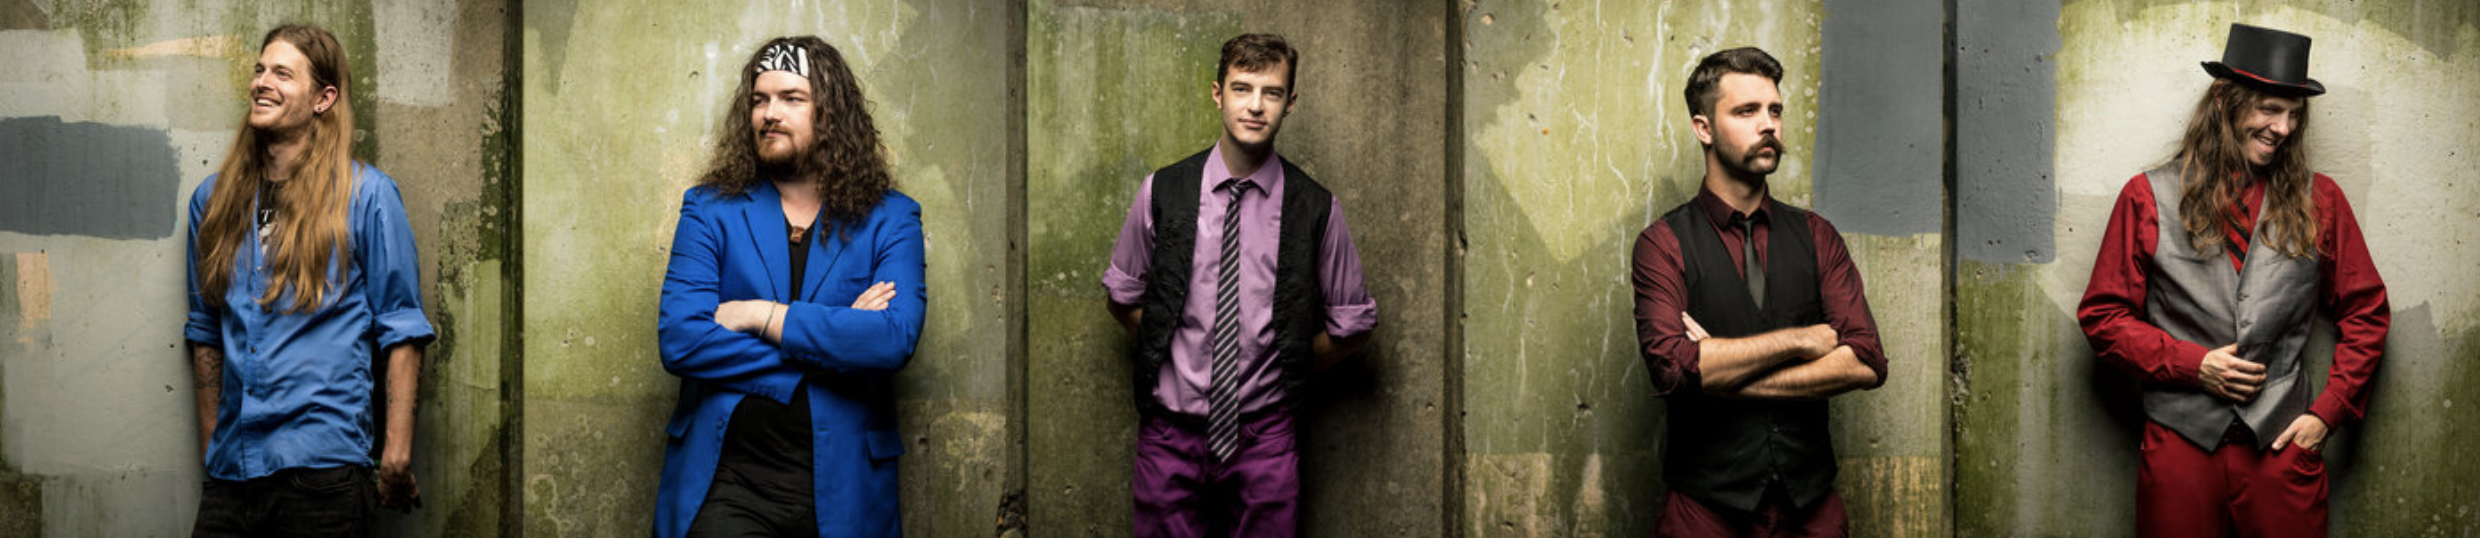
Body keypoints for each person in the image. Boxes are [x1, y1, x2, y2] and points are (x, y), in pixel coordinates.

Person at [2076, 23, 2389, 538]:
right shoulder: (2146, 196)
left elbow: (2367, 312)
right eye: (2270, 108)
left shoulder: (2322, 200)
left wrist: (2325, 415)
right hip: (2180, 445)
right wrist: (2192, 365)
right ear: (2224, 100)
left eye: (2294, 114)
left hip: (2283, 447)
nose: (2283, 128)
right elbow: (2103, 318)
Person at [1099, 32, 1379, 538]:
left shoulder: (1315, 207)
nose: (1255, 106)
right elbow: (1122, 295)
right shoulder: (1163, 191)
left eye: (1271, 92)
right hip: (1171, 432)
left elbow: (1353, 325)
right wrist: (1171, 347)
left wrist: (1285, 361)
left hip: (1265, 435)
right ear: (1217, 93)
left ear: (1290, 103)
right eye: (1241, 88)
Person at [653, 36, 926, 538]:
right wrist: (839, 344)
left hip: (846, 489)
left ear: (830, 113)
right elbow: (681, 340)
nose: (769, 113)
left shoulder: (893, 218)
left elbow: (893, 340)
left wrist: (760, 317)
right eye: (760, 99)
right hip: (728, 483)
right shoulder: (709, 209)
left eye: (791, 98)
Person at [1629, 46, 1888, 537]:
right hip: (1704, 513)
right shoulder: (1662, 245)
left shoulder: (1817, 235)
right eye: (1746, 111)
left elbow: (1867, 359)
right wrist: (1801, 341)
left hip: (1811, 510)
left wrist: (1721, 371)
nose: (1768, 124)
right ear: (1703, 128)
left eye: (1774, 110)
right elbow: (1673, 369)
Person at [183, 23, 431, 537]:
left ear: (324, 98)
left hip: (323, 474)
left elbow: (402, 327)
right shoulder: (211, 202)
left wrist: (396, 453)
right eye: (258, 70)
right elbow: (205, 328)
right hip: (232, 474)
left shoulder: (368, 196)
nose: (261, 82)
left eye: (281, 73)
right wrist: (213, 444)